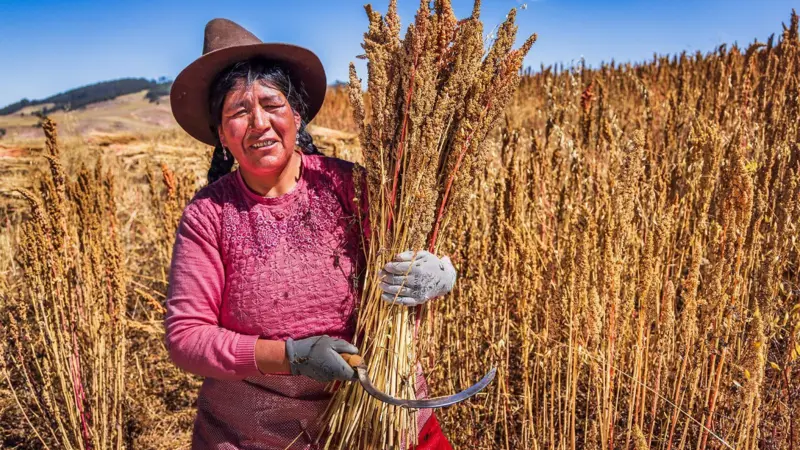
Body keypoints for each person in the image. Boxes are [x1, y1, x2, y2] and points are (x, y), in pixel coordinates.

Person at [165, 18, 457, 450]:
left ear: (297, 115)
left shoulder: (350, 188)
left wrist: (440, 272)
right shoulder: (209, 215)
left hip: (384, 417)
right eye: (239, 112)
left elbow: (412, 252)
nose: (259, 123)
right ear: (222, 136)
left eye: (272, 104)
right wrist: (291, 357)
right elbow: (186, 337)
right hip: (258, 435)